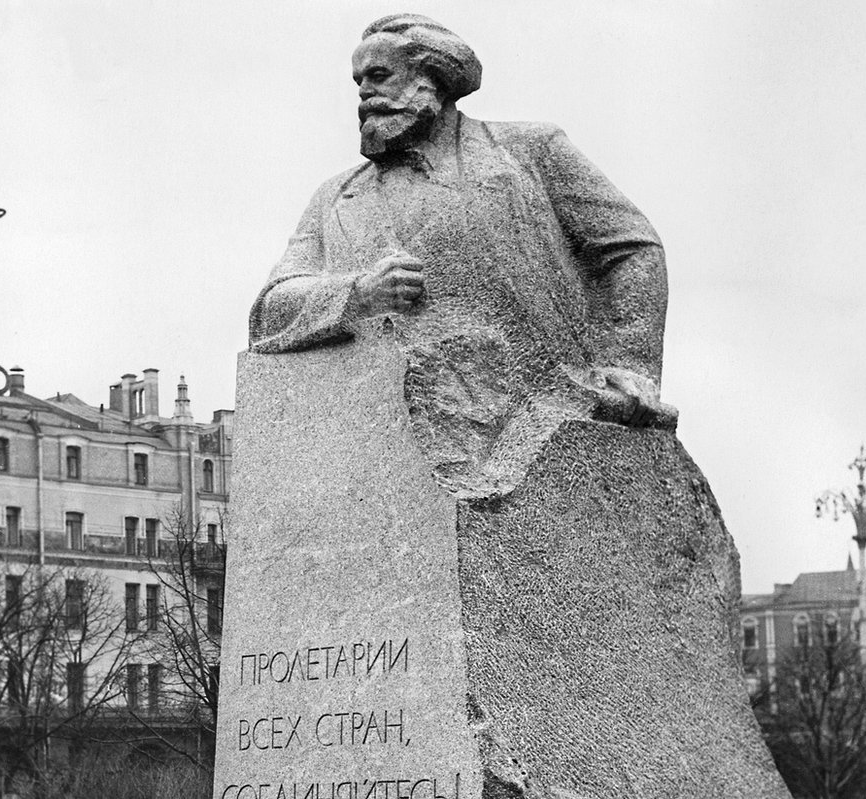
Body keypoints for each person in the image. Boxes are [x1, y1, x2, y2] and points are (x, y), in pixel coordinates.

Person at [250, 14, 675, 489]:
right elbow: (270, 312)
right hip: (382, 452)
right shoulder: (335, 197)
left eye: (379, 76)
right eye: (358, 82)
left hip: (540, 421)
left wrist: (630, 366)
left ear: (433, 77)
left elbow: (632, 248)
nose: (364, 94)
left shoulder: (528, 152)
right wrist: (357, 293)